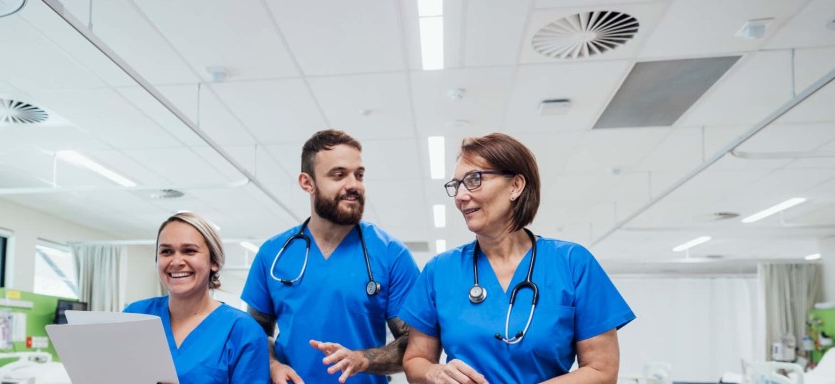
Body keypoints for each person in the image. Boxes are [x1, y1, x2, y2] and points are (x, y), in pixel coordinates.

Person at [400, 133, 636, 384]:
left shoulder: (572, 263)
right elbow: (416, 360)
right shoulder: (440, 270)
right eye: (456, 185)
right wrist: (433, 372)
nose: (460, 196)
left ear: (516, 185)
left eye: (473, 179)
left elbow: (602, 371)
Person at [242, 129, 421, 384]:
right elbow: (254, 331)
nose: (353, 185)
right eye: (339, 175)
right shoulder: (273, 254)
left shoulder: (391, 254)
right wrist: (271, 364)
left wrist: (363, 359)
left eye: (359, 175)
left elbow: (416, 343)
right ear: (308, 182)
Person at [124, 212, 270, 383]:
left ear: (214, 262)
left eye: (189, 251)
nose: (176, 261)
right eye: (166, 251)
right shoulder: (134, 316)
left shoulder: (243, 331)